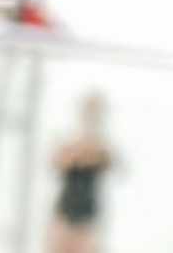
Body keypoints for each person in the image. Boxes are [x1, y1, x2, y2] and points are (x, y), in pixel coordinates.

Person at [48, 93, 114, 253]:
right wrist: (78, 155)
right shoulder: (70, 137)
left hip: (87, 216)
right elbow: (60, 160)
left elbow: (104, 160)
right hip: (65, 212)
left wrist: (84, 155)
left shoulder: (101, 142)